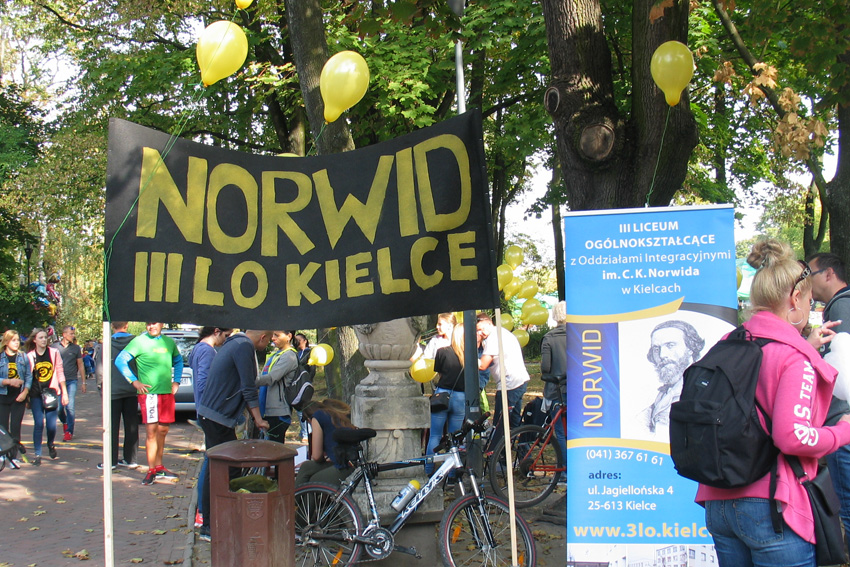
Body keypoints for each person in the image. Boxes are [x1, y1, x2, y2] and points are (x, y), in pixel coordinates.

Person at [697, 238, 850, 566]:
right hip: (772, 504)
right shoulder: (794, 357)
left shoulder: (728, 342)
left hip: (717, 501)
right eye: (809, 300)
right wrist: (842, 431)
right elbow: (793, 437)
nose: (809, 307)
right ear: (795, 299)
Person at [197, 330, 272, 542]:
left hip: (215, 416)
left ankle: (214, 521)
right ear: (263, 337)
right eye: (269, 340)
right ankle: (211, 525)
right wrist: (259, 419)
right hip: (217, 418)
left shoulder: (234, 343)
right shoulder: (244, 347)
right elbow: (248, 388)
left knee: (220, 468)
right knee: (223, 470)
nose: (268, 345)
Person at [806, 252, 850, 548]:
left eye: (809, 274)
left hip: (843, 423)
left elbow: (843, 371)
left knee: (848, 506)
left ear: (829, 274)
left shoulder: (841, 306)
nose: (806, 282)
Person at [115, 322, 183, 486]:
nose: (152, 326)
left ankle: (159, 466)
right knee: (151, 432)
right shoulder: (139, 341)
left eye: (155, 323)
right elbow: (120, 361)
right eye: (149, 324)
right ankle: (151, 469)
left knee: (163, 430)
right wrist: (134, 381)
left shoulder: (168, 342)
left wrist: (177, 381)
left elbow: (178, 361)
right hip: (149, 395)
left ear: (161, 324)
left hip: (166, 393)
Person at [187, 326, 232, 529]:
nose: (226, 340)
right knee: (210, 461)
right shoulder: (207, 351)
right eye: (226, 335)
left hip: (203, 410)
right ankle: (203, 512)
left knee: (209, 458)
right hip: (210, 412)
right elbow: (204, 383)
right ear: (216, 331)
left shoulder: (198, 348)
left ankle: (203, 510)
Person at [476, 312, 530, 449]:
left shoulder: (494, 337)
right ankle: (521, 453)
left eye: (481, 329)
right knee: (514, 423)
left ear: (489, 323)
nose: (480, 333)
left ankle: (497, 454)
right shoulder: (500, 333)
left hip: (510, 384)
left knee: (500, 423)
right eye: (477, 331)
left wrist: (465, 356)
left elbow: (482, 365)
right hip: (518, 381)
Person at [641, 319, 705, 435]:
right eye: (656, 349)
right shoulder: (664, 394)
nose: (662, 355)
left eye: (670, 345)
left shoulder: (703, 389)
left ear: (690, 348)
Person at [97, 322, 140, 471]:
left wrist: (101, 388)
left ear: (112, 326)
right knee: (132, 425)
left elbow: (100, 370)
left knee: (111, 427)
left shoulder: (106, 344)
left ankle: (111, 461)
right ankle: (130, 459)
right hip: (132, 389)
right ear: (127, 325)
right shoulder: (136, 342)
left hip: (112, 391)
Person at [424, 325, 466, 475]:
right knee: (454, 438)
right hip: (461, 397)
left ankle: (428, 470)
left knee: (435, 435)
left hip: (442, 396)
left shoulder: (442, 352)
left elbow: (439, 373)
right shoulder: (469, 355)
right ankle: (452, 474)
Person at [25, 328, 69, 465]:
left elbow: (60, 372)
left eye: (45, 337)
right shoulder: (30, 356)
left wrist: (64, 392)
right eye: (41, 338)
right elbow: (28, 376)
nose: (44, 340)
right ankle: (37, 454)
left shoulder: (54, 353)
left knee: (51, 425)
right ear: (35, 340)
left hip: (51, 392)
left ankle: (50, 443)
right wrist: (26, 395)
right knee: (39, 423)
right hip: (35, 394)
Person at [295, 398, 355, 487]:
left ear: (308, 419)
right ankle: (297, 495)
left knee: (313, 480)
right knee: (306, 466)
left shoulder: (317, 417)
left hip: (344, 466)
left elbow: (316, 456)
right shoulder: (336, 416)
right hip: (347, 460)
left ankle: (298, 495)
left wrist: (322, 459)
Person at [256, 330, 298, 443]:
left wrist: (249, 381)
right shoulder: (277, 354)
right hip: (266, 410)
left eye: (277, 335)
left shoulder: (289, 356)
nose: (273, 338)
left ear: (289, 336)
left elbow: (271, 378)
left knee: (274, 448)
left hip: (278, 412)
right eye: (273, 335)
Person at [540, 301, 567, 474]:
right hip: (579, 390)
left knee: (561, 432)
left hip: (556, 391)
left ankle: (565, 471)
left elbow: (545, 367)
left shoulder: (549, 338)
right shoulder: (581, 335)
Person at [0, 330, 32, 463]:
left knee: (15, 427)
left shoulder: (23, 357)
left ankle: (13, 457)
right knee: (3, 428)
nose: (17, 343)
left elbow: (29, 376)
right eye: (13, 340)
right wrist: (8, 381)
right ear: (6, 342)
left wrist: (25, 392)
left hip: (18, 397)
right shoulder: (1, 357)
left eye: (18, 340)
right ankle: (3, 454)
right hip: (3, 396)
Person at [54, 325, 85, 441]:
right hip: (58, 381)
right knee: (58, 408)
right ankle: (65, 422)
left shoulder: (76, 348)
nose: (73, 335)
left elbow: (80, 365)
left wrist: (83, 382)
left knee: (70, 406)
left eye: (73, 333)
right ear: (64, 334)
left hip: (71, 380)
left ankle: (69, 431)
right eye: (71, 334)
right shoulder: (54, 347)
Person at [294, 332, 315, 443]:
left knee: (303, 407)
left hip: (305, 384)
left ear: (305, 341)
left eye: (299, 340)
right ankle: (304, 431)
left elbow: (312, 370)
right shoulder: (296, 353)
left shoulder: (310, 353)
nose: (297, 342)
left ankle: (307, 433)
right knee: (298, 407)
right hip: (296, 384)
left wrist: (308, 382)